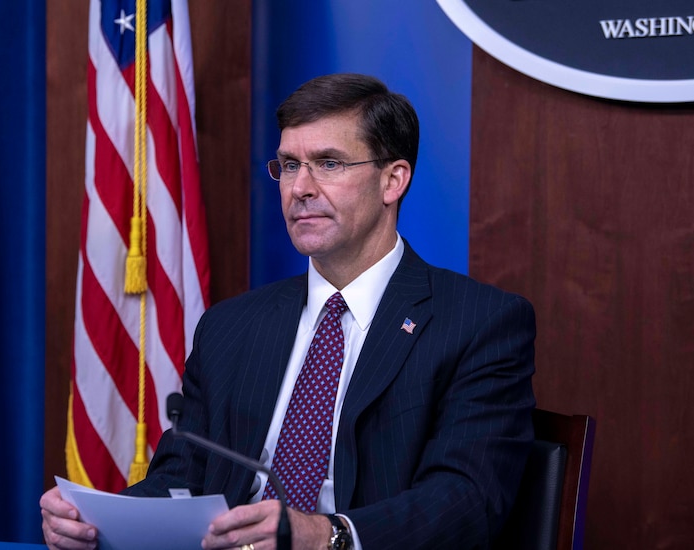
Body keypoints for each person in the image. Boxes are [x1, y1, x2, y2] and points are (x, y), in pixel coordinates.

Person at [41, 73, 536, 550]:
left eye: (329, 163)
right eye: (289, 165)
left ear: (393, 180)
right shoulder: (231, 326)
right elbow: (181, 478)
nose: (300, 188)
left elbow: (467, 501)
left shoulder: (477, 323)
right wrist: (98, 520)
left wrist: (327, 535)